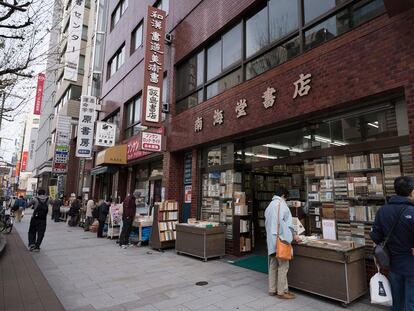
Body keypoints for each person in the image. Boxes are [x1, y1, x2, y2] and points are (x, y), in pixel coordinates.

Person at [370, 176, 414, 311]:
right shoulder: (412, 211)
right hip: (412, 264)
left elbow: (375, 236)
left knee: (397, 301)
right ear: (412, 192)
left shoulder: (383, 210)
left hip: (393, 263)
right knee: (411, 302)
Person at [265, 186, 301, 299]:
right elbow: (288, 224)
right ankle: (282, 291)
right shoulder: (283, 205)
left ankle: (272, 289)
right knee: (283, 266)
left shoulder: (269, 206)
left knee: (272, 265)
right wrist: (294, 235)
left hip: (271, 240)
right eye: (286, 198)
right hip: (281, 239)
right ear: (283, 196)